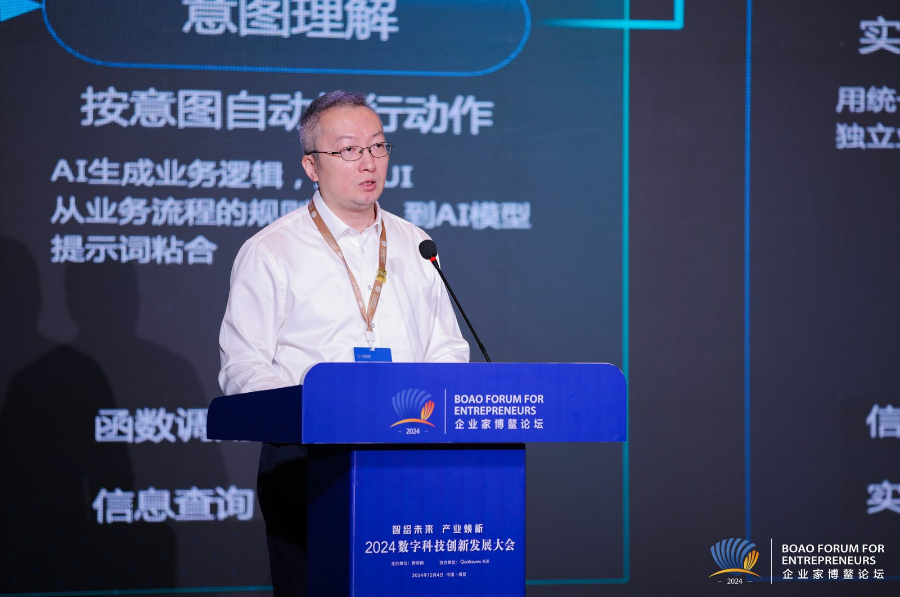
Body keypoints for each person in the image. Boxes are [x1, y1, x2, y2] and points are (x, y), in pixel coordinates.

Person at [218, 90, 470, 595]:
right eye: (349, 150)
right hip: (308, 463)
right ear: (312, 166)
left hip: (405, 456)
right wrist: (316, 412)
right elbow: (243, 367)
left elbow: (447, 347)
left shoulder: (416, 243)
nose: (369, 162)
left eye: (377, 146)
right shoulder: (271, 251)